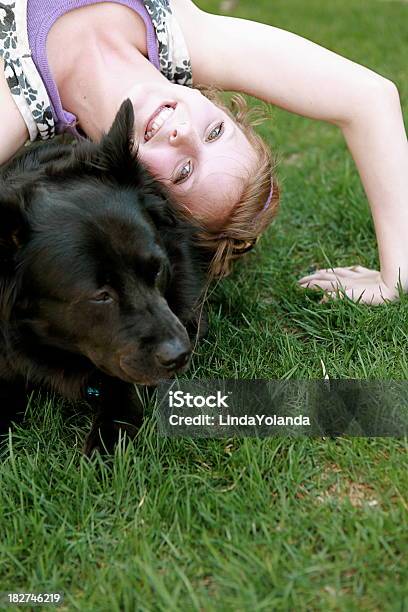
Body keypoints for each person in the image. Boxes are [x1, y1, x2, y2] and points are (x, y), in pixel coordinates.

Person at [0, 0, 407, 303]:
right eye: (215, 131)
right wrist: (398, 277)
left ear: (141, 191)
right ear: (219, 106)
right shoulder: (181, 32)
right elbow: (371, 99)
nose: (182, 133)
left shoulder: (16, 102)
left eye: (183, 172)